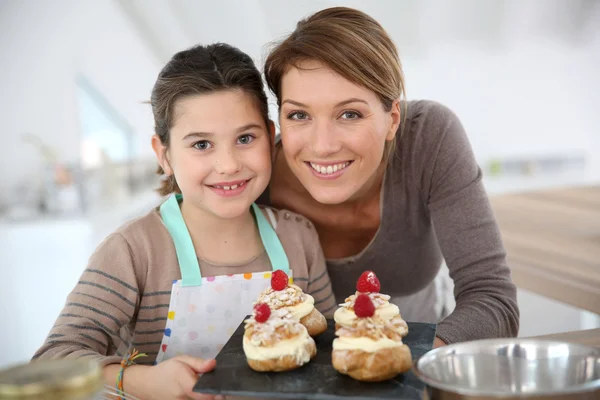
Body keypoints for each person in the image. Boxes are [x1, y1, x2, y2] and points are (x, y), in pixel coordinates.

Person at [33, 43, 336, 400]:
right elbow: (55, 358)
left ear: (270, 139)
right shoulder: (134, 250)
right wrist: (144, 381)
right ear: (164, 155)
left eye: (245, 138)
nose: (228, 165)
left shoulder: (298, 237)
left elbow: (328, 345)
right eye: (201, 145)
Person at [259, 6, 520, 348]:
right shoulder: (252, 175)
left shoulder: (428, 136)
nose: (322, 146)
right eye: (299, 115)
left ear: (393, 118)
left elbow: (493, 300)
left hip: (420, 329)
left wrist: (402, 369)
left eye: (349, 113)